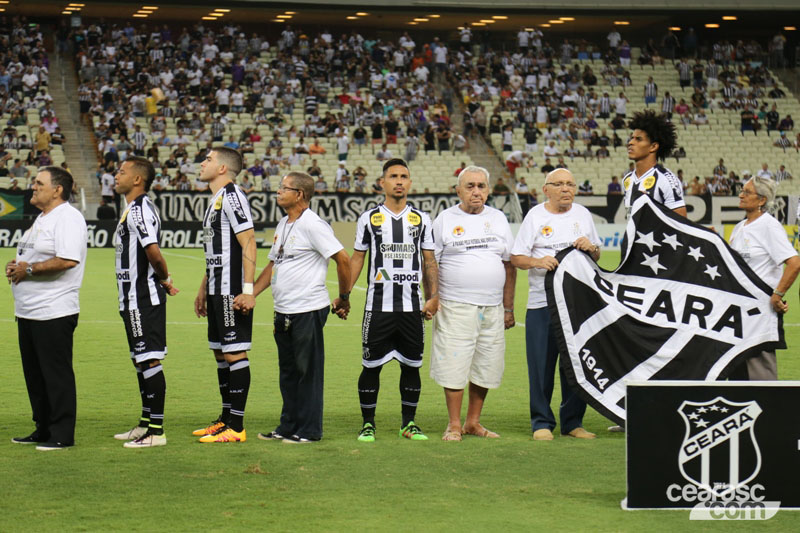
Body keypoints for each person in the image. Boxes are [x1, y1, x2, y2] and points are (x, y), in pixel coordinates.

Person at [253, 172, 351, 443]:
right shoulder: (284, 223)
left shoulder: (314, 224)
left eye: (284, 188)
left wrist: (344, 296)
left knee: (307, 372)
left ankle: (309, 430)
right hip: (284, 309)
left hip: (307, 308)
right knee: (288, 372)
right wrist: (251, 294)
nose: (278, 192)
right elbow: (273, 264)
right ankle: (288, 426)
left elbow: (343, 259)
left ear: (299, 195)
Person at [348, 158, 439, 443]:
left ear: (410, 182)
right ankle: (368, 424)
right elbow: (357, 258)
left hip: (412, 308)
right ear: (382, 182)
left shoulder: (422, 219)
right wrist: (344, 295)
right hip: (378, 307)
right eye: (393, 176)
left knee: (411, 366)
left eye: (403, 176)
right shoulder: (369, 218)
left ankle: (408, 423)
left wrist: (433, 297)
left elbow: (429, 261)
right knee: (370, 366)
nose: (399, 181)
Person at [510, 169, 601, 441]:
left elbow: (596, 253)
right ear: (545, 189)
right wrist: (537, 262)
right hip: (543, 304)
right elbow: (516, 257)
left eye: (570, 184)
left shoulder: (583, 215)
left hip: (577, 304)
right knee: (541, 366)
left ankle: (572, 422)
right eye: (559, 184)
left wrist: (591, 248)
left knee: (576, 364)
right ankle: (541, 422)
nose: (565, 189)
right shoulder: (535, 216)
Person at [431, 166, 516, 441]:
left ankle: (473, 422)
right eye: (470, 186)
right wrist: (432, 297)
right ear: (458, 191)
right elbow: (430, 263)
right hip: (455, 305)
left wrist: (508, 307)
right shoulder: (445, 219)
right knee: (454, 364)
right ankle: (454, 424)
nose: (476, 191)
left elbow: (509, 264)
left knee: (486, 364)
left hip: (492, 307)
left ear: (489, 190)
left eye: (481, 186)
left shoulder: (499, 219)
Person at [6, 167, 87, 450]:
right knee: (36, 375)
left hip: (53, 309)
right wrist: (17, 266)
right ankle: (43, 428)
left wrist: (29, 269)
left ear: (57, 190)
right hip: (29, 310)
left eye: (40, 183)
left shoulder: (68, 217)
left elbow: (68, 260)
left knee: (55, 375)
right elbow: (32, 258)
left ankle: (62, 434)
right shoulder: (43, 218)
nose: (33, 187)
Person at [111, 157, 179, 448]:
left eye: (122, 171)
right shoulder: (131, 209)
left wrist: (164, 279)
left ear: (138, 179)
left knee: (149, 358)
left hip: (143, 298)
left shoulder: (139, 210)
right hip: (131, 298)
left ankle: (156, 431)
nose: (116, 175)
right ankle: (145, 424)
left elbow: (153, 251)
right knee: (140, 359)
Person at [192, 147, 257, 443]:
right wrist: (204, 287)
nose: (202, 163)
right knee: (220, 352)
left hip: (232, 289)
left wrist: (247, 291)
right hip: (216, 288)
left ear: (221, 168)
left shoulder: (232, 196)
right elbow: (216, 250)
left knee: (234, 352)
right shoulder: (215, 199)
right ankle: (226, 419)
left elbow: (249, 242)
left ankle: (237, 427)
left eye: (208, 159)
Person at [729, 177, 800, 380]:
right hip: (738, 313)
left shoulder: (769, 226)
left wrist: (777, 295)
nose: (741, 195)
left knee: (761, 377)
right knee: (736, 376)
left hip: (760, 314)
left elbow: (794, 263)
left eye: (747, 192)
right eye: (742, 190)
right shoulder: (739, 227)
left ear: (762, 200)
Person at [623, 110, 687, 217]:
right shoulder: (627, 179)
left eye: (638, 139)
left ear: (653, 147)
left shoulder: (666, 180)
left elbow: (681, 222)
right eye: (631, 138)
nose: (630, 142)